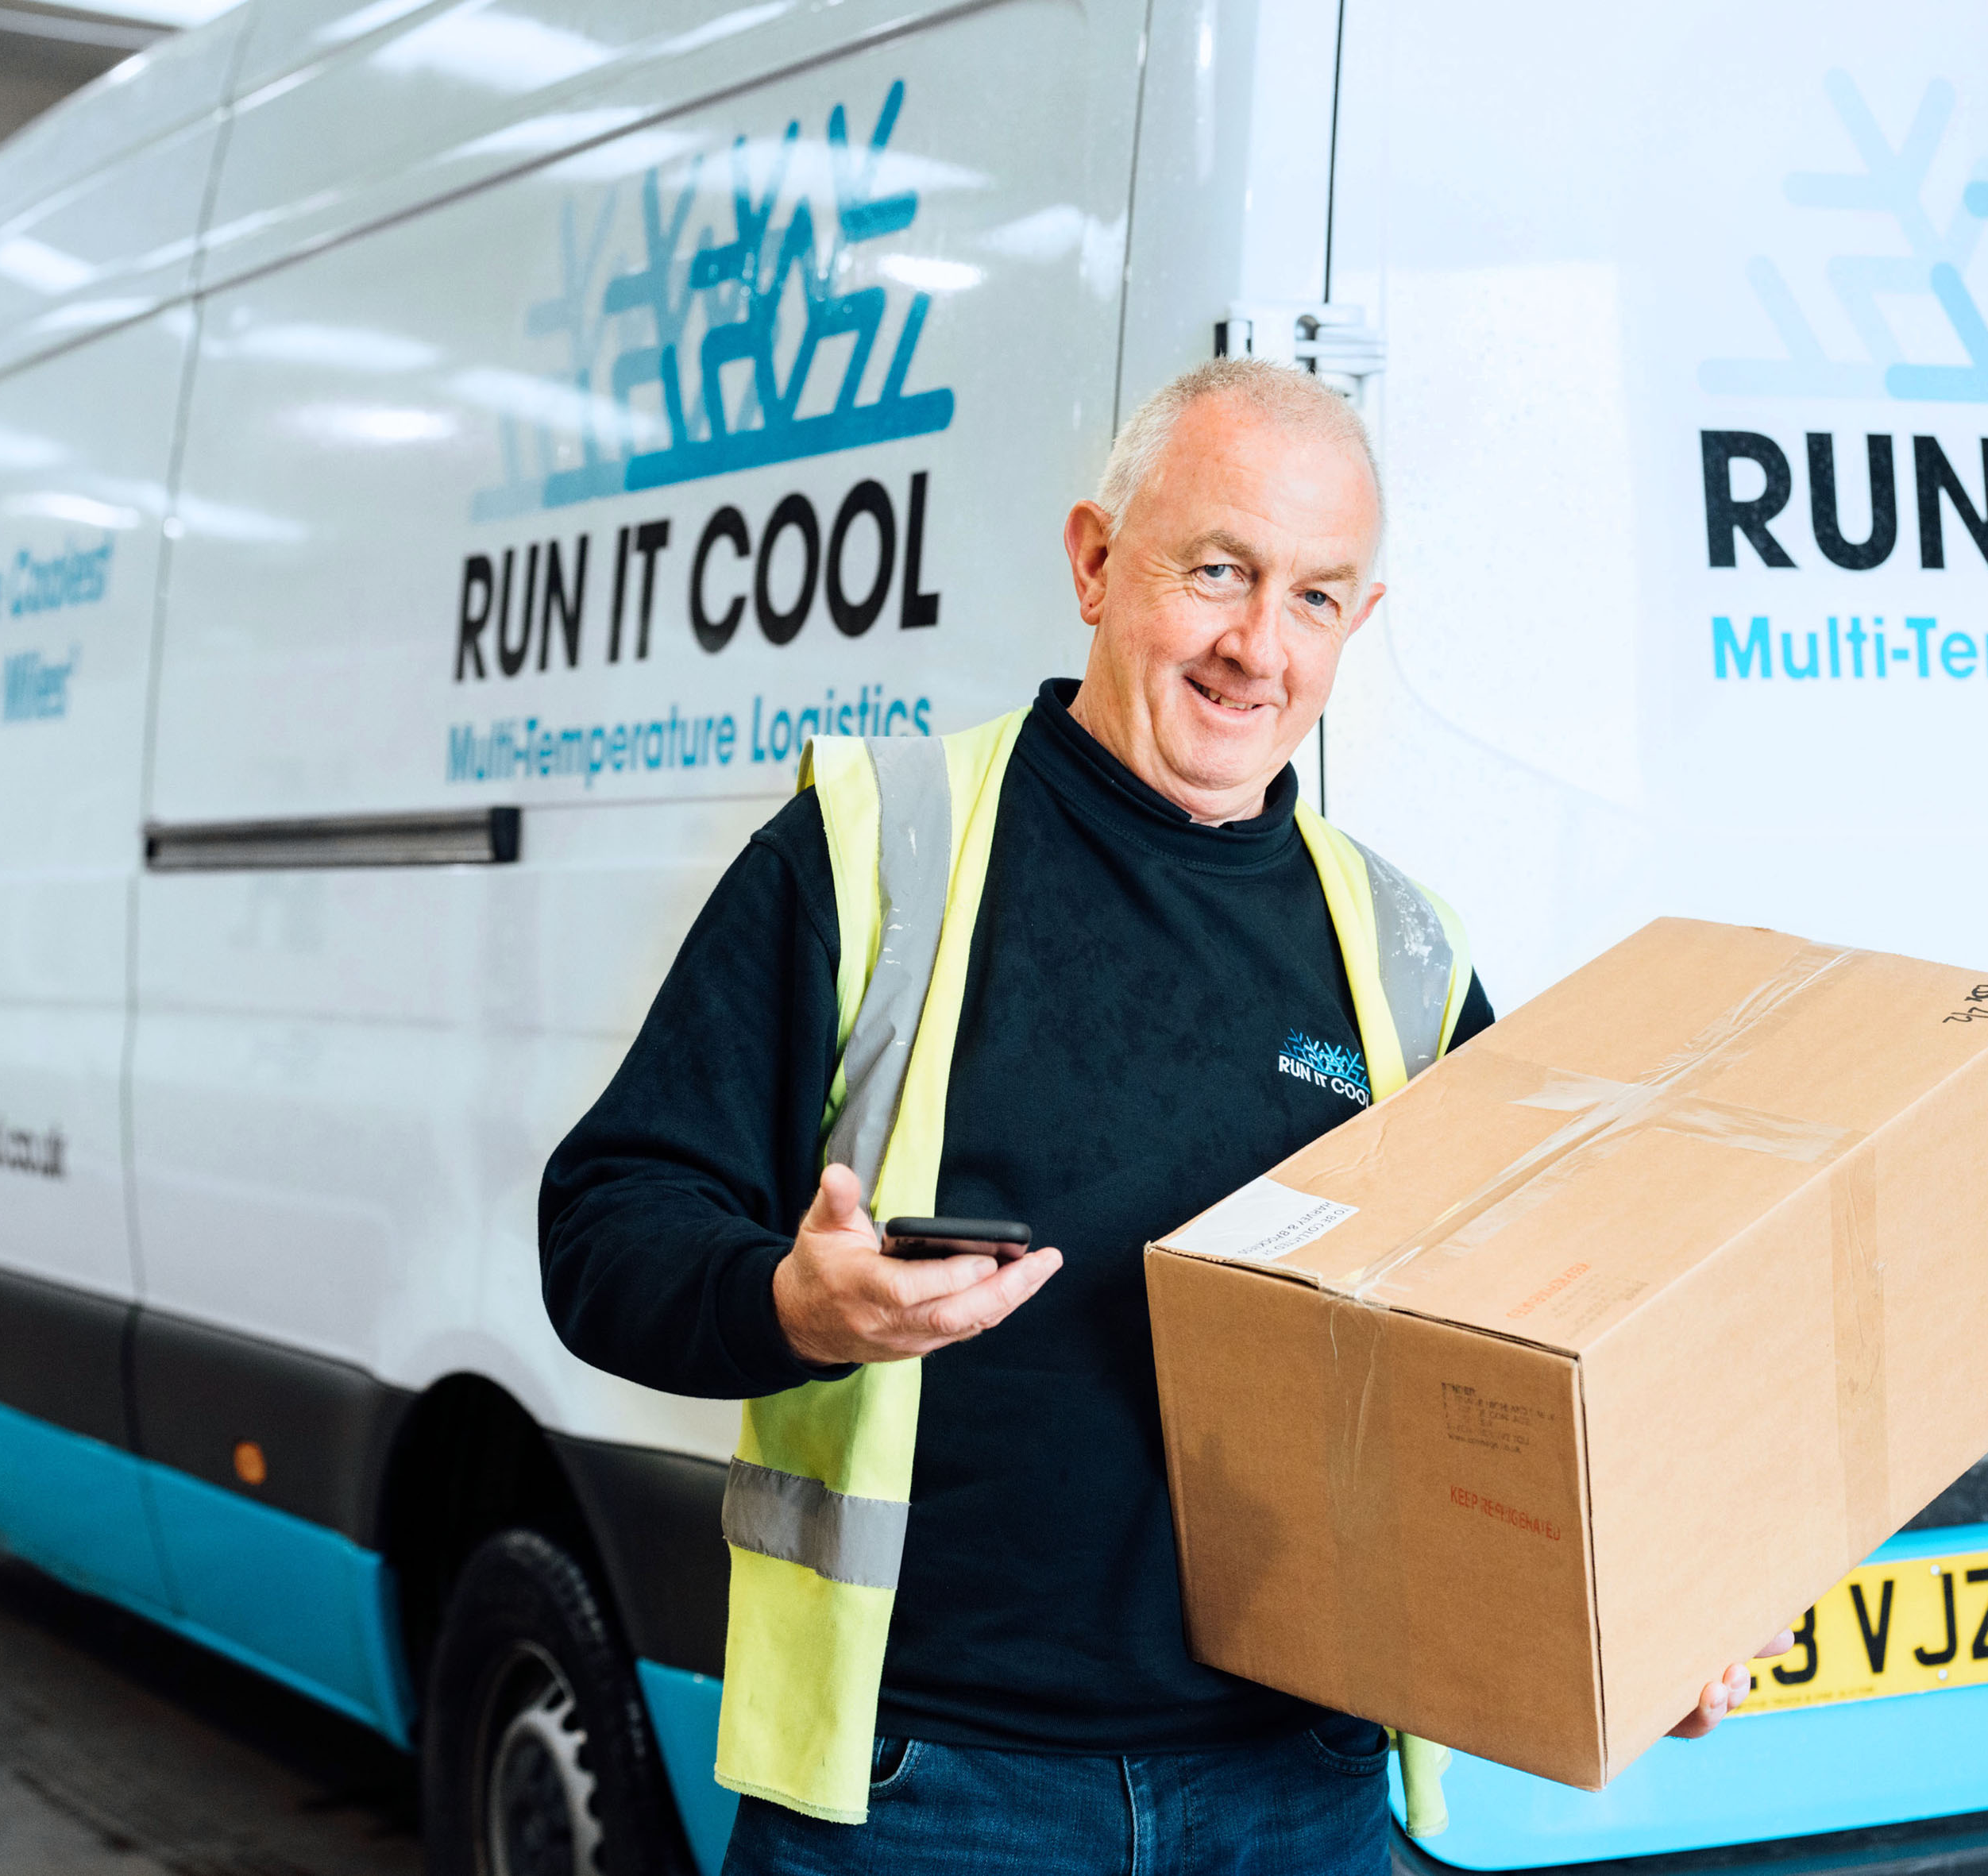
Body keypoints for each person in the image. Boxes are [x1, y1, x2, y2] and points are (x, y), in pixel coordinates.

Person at [538, 358, 1769, 1876]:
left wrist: (1658, 1598)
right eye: (1218, 571)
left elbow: (1539, 1337)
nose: (1259, 646)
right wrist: (792, 1302)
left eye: (1317, 598)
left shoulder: (1400, 951)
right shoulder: (879, 847)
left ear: (1357, 628)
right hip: (928, 1794)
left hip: (1294, 1797)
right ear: (1094, 561)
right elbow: (604, 1226)